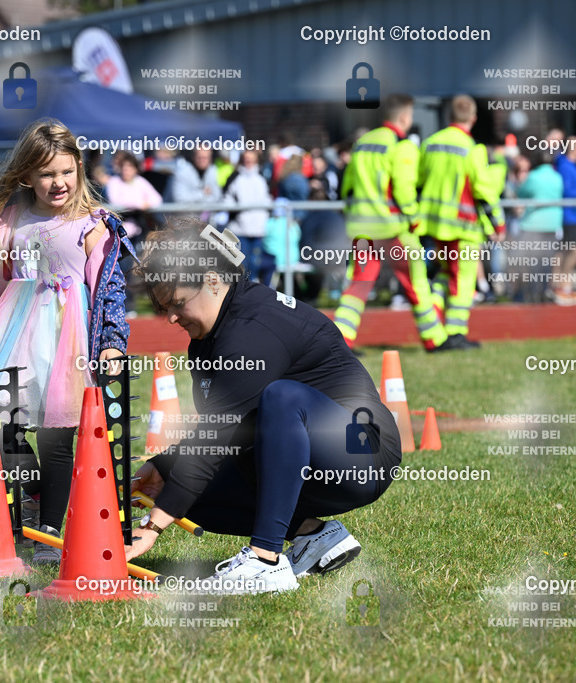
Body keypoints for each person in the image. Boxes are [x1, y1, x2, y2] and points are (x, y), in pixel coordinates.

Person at [125, 222, 401, 594]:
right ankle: (316, 536)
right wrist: (164, 466)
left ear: (212, 280)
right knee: (187, 492)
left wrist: (153, 527)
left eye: (177, 302)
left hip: (363, 455)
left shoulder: (250, 328)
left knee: (282, 397)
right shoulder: (210, 335)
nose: (172, 317)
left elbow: (215, 440)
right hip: (319, 453)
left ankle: (265, 560)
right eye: (163, 308)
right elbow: (220, 430)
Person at [0, 119, 134, 565]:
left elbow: (111, 291)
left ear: (79, 169)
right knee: (5, 430)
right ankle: (36, 495)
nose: (58, 182)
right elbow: (0, 280)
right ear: (27, 175)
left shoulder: (92, 225)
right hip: (16, 335)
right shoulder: (12, 219)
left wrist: (112, 341)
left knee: (55, 439)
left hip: (68, 340)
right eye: (47, 174)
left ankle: (48, 531)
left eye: (66, 171)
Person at [332, 94, 456, 354]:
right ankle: (434, 339)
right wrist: (415, 219)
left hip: (362, 228)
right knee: (416, 282)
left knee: (359, 283)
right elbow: (404, 191)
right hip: (393, 228)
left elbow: (348, 187)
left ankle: (341, 340)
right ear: (404, 117)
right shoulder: (402, 146)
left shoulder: (363, 142)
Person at [416, 94, 505, 346]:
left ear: (449, 116)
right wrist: (498, 223)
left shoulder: (430, 143)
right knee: (464, 279)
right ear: (473, 118)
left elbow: (419, 181)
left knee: (446, 272)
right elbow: (484, 190)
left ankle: (434, 306)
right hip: (463, 226)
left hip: (434, 225)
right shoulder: (472, 148)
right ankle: (456, 333)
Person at [105, 150, 162, 314]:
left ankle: (130, 306)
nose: (126, 171)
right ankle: (117, 305)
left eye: (130, 167)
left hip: (136, 233)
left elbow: (156, 200)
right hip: (117, 233)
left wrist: (142, 204)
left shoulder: (140, 182)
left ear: (135, 169)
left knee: (132, 270)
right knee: (119, 270)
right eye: (124, 167)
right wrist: (140, 203)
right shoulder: (114, 182)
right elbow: (117, 202)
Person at [515, 150, 564, 302]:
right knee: (547, 261)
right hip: (552, 224)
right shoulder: (557, 177)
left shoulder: (533, 177)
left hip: (533, 224)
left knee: (533, 261)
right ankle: (544, 290)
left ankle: (533, 292)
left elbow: (521, 193)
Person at [550, 137, 576, 305]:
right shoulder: (565, 166)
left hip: (574, 216)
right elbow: (566, 192)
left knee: (564, 252)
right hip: (567, 217)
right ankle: (561, 286)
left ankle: (564, 287)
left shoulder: (572, 166)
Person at [222, 149, 270, 283]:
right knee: (241, 266)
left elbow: (266, 200)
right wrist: (237, 211)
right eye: (246, 160)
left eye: (251, 160)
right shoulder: (235, 178)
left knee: (255, 264)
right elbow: (226, 200)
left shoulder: (262, 178)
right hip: (240, 230)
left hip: (258, 230)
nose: (249, 162)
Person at [166, 145, 220, 220]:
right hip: (177, 220)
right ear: (193, 157)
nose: (202, 160)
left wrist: (198, 199)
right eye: (199, 157)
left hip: (201, 220)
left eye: (205, 158)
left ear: (210, 158)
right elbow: (180, 200)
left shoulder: (212, 171)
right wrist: (203, 194)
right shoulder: (181, 172)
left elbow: (217, 197)